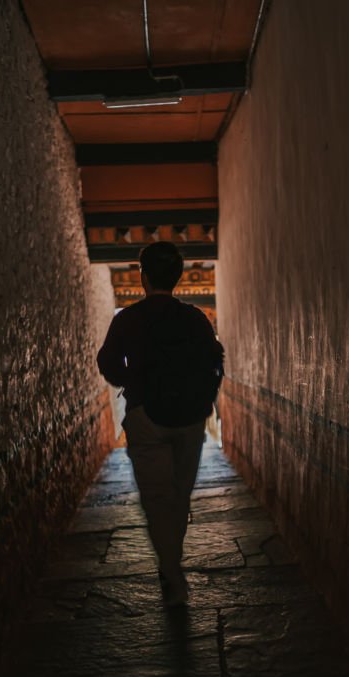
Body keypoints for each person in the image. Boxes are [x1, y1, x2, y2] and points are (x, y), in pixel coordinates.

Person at [97, 242, 225, 607]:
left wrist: (131, 381)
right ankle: (172, 565)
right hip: (189, 419)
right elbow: (215, 361)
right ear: (179, 277)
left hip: (145, 417)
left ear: (143, 277)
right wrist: (204, 401)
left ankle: (171, 573)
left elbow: (107, 362)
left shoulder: (128, 319)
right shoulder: (196, 319)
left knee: (157, 500)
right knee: (179, 496)